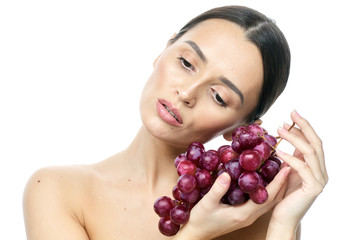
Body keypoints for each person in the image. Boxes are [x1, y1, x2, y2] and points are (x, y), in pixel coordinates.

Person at [23, 5, 328, 240]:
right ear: (164, 49)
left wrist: (284, 223)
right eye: (186, 63)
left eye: (219, 96)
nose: (187, 93)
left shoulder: (251, 218)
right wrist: (194, 233)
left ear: (242, 128)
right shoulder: (57, 191)